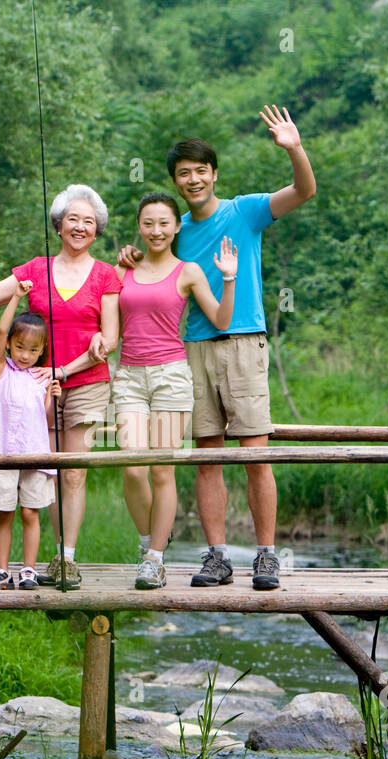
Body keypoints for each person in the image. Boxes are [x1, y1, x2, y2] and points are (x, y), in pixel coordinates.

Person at [119, 105, 316, 590]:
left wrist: (294, 148)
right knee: (207, 455)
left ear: (214, 174)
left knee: (254, 454)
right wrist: (129, 255)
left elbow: (305, 191)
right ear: (175, 180)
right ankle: (217, 557)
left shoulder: (244, 209)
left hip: (244, 342)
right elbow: (149, 264)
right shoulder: (175, 229)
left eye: (200, 171)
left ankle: (266, 556)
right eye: (183, 174)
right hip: (192, 349)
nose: (193, 180)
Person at [0, 184, 120, 590]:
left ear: (97, 229)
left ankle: (67, 558)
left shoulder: (106, 275)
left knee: (73, 474)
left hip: (84, 381)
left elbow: (109, 341)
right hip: (37, 387)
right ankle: (47, 555)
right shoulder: (34, 269)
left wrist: (66, 369)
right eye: (73, 219)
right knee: (47, 474)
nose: (80, 226)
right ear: (58, 224)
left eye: (88, 221)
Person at [114, 193, 237, 590]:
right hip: (129, 376)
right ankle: (151, 542)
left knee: (162, 470)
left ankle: (154, 560)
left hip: (170, 376)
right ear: (139, 227)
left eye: (164, 223)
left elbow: (220, 318)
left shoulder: (189, 271)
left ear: (176, 227)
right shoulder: (123, 270)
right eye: (148, 223)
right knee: (132, 469)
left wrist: (229, 277)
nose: (156, 231)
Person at [0, 280, 62, 590]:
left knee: (30, 512)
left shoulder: (42, 378)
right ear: (12, 345)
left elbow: (47, 419)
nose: (26, 355)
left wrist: (53, 396)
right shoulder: (4, 371)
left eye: (34, 350)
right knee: (5, 513)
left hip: (35, 455)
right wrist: (15, 296)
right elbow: (0, 332)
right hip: (2, 453)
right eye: (21, 347)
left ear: (42, 352)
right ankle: (1, 569)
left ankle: (28, 568)